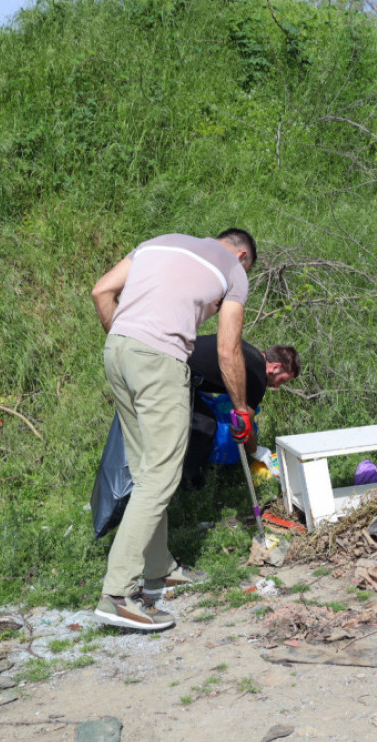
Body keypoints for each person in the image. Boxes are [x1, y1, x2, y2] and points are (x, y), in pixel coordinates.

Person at [90, 228, 256, 630]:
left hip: (118, 351)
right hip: (159, 361)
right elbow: (226, 347)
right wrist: (241, 407)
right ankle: (118, 594)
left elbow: (100, 292)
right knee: (160, 476)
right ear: (242, 255)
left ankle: (158, 568)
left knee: (147, 469)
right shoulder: (234, 270)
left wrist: (129, 341)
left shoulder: (157, 242)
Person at [182, 337, 300, 489]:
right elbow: (246, 423)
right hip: (172, 373)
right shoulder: (257, 375)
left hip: (172, 359)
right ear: (275, 367)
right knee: (205, 425)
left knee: (204, 413)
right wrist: (256, 451)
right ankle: (190, 486)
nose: (277, 386)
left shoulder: (249, 353)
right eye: (282, 380)